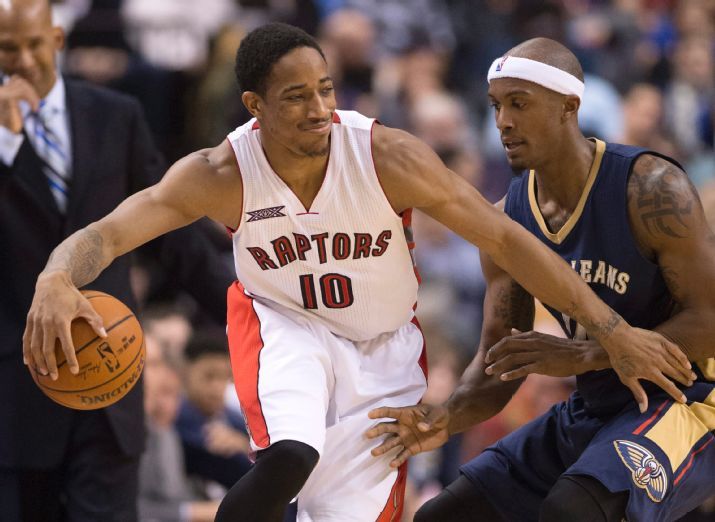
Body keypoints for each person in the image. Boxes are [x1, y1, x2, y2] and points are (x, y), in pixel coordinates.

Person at [23, 24, 693, 522]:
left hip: (382, 351)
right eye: (294, 97)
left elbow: (505, 242)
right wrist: (56, 277)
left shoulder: (387, 155)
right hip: (286, 326)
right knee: (290, 453)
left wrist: (607, 330)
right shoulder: (222, 173)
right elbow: (107, 232)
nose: (317, 109)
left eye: (324, 90)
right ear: (254, 104)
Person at [366, 38, 715, 522]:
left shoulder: (650, 189)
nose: (502, 121)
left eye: (519, 103)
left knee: (573, 511)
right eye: (495, 105)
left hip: (691, 398)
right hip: (598, 403)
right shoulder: (507, 220)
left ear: (568, 107)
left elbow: (711, 319)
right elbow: (503, 356)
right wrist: (447, 415)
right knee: (443, 516)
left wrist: (586, 354)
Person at [0, 1, 234, 520]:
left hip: (110, 377)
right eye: (7, 49)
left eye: (34, 44)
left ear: (58, 41)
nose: (23, 61)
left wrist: (244, 315)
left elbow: (175, 236)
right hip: (16, 392)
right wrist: (6, 143)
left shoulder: (115, 115)